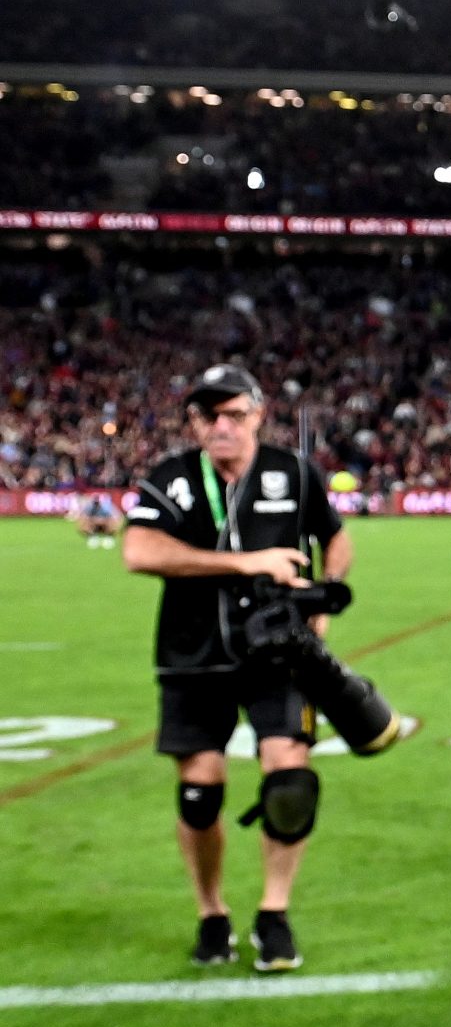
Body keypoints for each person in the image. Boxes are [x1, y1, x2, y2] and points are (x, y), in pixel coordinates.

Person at [121, 365, 352, 972]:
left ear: (258, 414)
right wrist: (246, 562)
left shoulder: (294, 472)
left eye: (234, 414)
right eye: (208, 415)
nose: (221, 426)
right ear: (194, 422)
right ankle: (212, 913)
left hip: (281, 652)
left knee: (291, 782)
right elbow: (139, 551)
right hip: (192, 654)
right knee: (200, 796)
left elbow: (336, 536)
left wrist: (326, 593)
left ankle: (274, 913)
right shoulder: (171, 477)